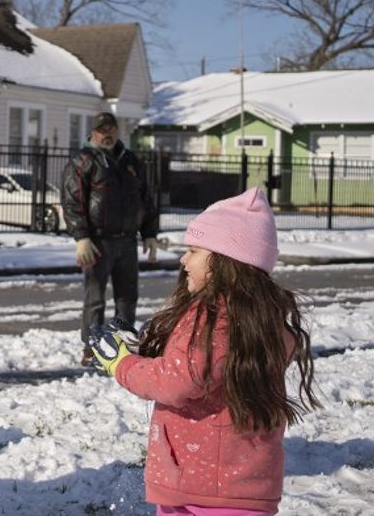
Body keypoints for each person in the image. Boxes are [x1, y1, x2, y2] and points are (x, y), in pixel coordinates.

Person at [87, 188, 318, 515]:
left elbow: (177, 381)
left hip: (201, 486)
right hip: (244, 486)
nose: (183, 260)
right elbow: (200, 367)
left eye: (194, 250)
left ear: (225, 261)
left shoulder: (214, 320)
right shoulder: (260, 318)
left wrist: (121, 364)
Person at [61, 111, 160, 366]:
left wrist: (149, 234)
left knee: (127, 297)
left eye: (111, 130)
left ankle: (123, 346)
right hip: (97, 243)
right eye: (101, 130)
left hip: (127, 241)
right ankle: (92, 349)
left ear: (117, 131)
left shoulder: (131, 162)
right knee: (95, 298)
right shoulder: (83, 162)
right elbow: (72, 202)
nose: (107, 135)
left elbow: (146, 200)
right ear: (93, 132)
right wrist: (81, 237)